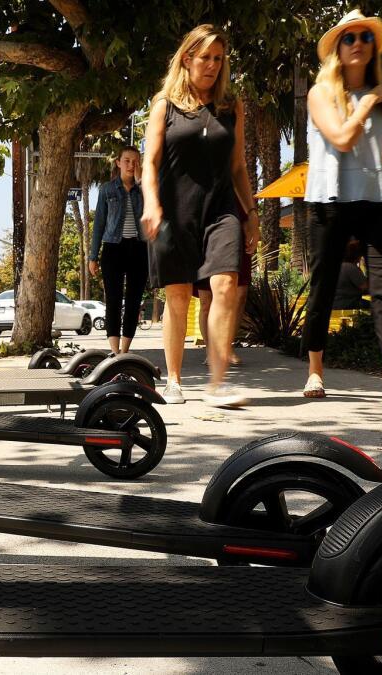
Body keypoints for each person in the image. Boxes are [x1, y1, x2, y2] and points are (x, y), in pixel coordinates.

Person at [301, 9, 382, 405]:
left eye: (366, 37)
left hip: (379, 198)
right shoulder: (320, 93)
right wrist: (369, 101)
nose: (359, 43)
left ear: (374, 47)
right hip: (331, 199)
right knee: (323, 288)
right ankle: (314, 372)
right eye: (350, 37)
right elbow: (341, 138)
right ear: (337, 49)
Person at [141, 24, 260, 407]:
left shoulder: (231, 105)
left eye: (218, 58)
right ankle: (173, 379)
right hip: (175, 210)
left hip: (221, 208)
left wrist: (251, 212)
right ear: (187, 58)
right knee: (177, 297)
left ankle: (217, 382)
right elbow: (150, 162)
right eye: (205, 57)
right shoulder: (165, 105)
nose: (211, 65)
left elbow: (239, 165)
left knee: (225, 285)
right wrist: (151, 203)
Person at [88, 147, 149, 354]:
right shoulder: (107, 189)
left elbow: (153, 208)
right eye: (127, 161)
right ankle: (114, 352)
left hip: (139, 248)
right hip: (113, 248)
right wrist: (93, 256)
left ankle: (125, 350)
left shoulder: (145, 189)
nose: (131, 165)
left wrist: (142, 182)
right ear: (118, 163)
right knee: (113, 300)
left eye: (135, 161)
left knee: (134, 300)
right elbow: (99, 224)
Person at [332, 239, 368, 310]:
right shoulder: (350, 267)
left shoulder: (339, 266)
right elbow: (365, 287)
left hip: (336, 303)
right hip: (349, 303)